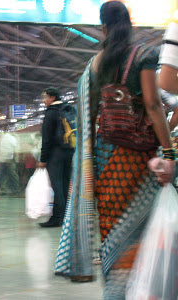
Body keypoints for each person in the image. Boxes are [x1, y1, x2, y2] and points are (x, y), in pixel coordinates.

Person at [53, 2, 175, 298]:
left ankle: (115, 290)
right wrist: (169, 153)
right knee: (141, 234)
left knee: (112, 234)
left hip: (102, 164)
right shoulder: (145, 55)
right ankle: (140, 289)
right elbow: (153, 104)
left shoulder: (93, 66)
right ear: (129, 24)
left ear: (103, 28)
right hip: (137, 159)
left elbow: (89, 119)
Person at [38, 88, 74, 227]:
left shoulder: (51, 113)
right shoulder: (69, 109)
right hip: (69, 151)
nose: (43, 100)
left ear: (52, 98)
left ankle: (56, 218)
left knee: (57, 187)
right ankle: (66, 217)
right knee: (65, 186)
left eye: (45, 97)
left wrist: (43, 159)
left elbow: (46, 139)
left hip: (55, 154)